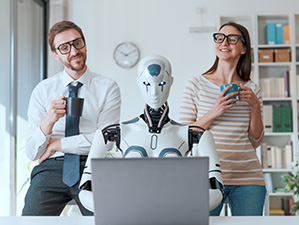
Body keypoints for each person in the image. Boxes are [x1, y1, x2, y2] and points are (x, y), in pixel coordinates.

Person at [78, 55, 224, 212]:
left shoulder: (194, 135)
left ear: (171, 82)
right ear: (138, 83)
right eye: (147, 84)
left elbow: (216, 189)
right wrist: (113, 206)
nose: (154, 92)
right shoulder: (112, 133)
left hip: (174, 215)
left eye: (161, 84)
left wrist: (186, 206)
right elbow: (86, 188)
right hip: (129, 215)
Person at [22, 21, 121, 216]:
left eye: (77, 43)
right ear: (55, 55)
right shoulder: (43, 90)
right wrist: (49, 120)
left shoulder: (108, 87)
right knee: (30, 222)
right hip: (51, 168)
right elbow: (32, 152)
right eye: (64, 48)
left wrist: (57, 144)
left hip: (92, 165)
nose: (74, 51)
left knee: (109, 220)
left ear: (84, 44)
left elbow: (106, 141)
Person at [179, 21, 266, 216]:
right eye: (220, 38)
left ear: (243, 48)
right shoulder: (196, 85)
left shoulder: (253, 89)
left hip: (248, 179)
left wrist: (255, 106)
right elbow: (184, 135)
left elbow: (256, 140)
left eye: (232, 38)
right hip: (206, 177)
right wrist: (215, 111)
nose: (224, 42)